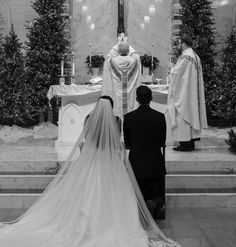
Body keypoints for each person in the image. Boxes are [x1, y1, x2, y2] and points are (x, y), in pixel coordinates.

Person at [0, 97, 180, 247]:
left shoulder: (88, 117)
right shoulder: (116, 120)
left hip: (92, 160)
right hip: (110, 162)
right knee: (116, 193)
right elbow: (115, 139)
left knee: (86, 192)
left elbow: (87, 138)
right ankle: (113, 224)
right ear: (110, 107)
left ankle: (83, 226)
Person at [123, 85, 166, 219]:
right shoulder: (159, 116)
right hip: (155, 162)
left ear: (136, 99)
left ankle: (140, 208)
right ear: (151, 98)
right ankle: (154, 204)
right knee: (156, 190)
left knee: (138, 189)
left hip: (136, 163)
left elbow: (127, 142)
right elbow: (161, 140)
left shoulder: (129, 117)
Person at [167, 34, 208, 151]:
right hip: (191, 92)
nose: (178, 46)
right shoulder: (194, 56)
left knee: (183, 115)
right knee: (190, 113)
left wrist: (171, 68)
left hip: (185, 93)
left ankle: (185, 144)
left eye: (179, 43)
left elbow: (177, 74)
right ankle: (190, 142)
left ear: (184, 44)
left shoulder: (186, 57)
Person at [102, 33, 142, 119]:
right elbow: (135, 55)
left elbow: (110, 54)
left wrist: (118, 44)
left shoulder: (111, 61)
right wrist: (127, 43)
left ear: (118, 51)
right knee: (130, 116)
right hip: (130, 98)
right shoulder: (135, 61)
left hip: (117, 97)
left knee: (117, 115)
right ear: (128, 51)